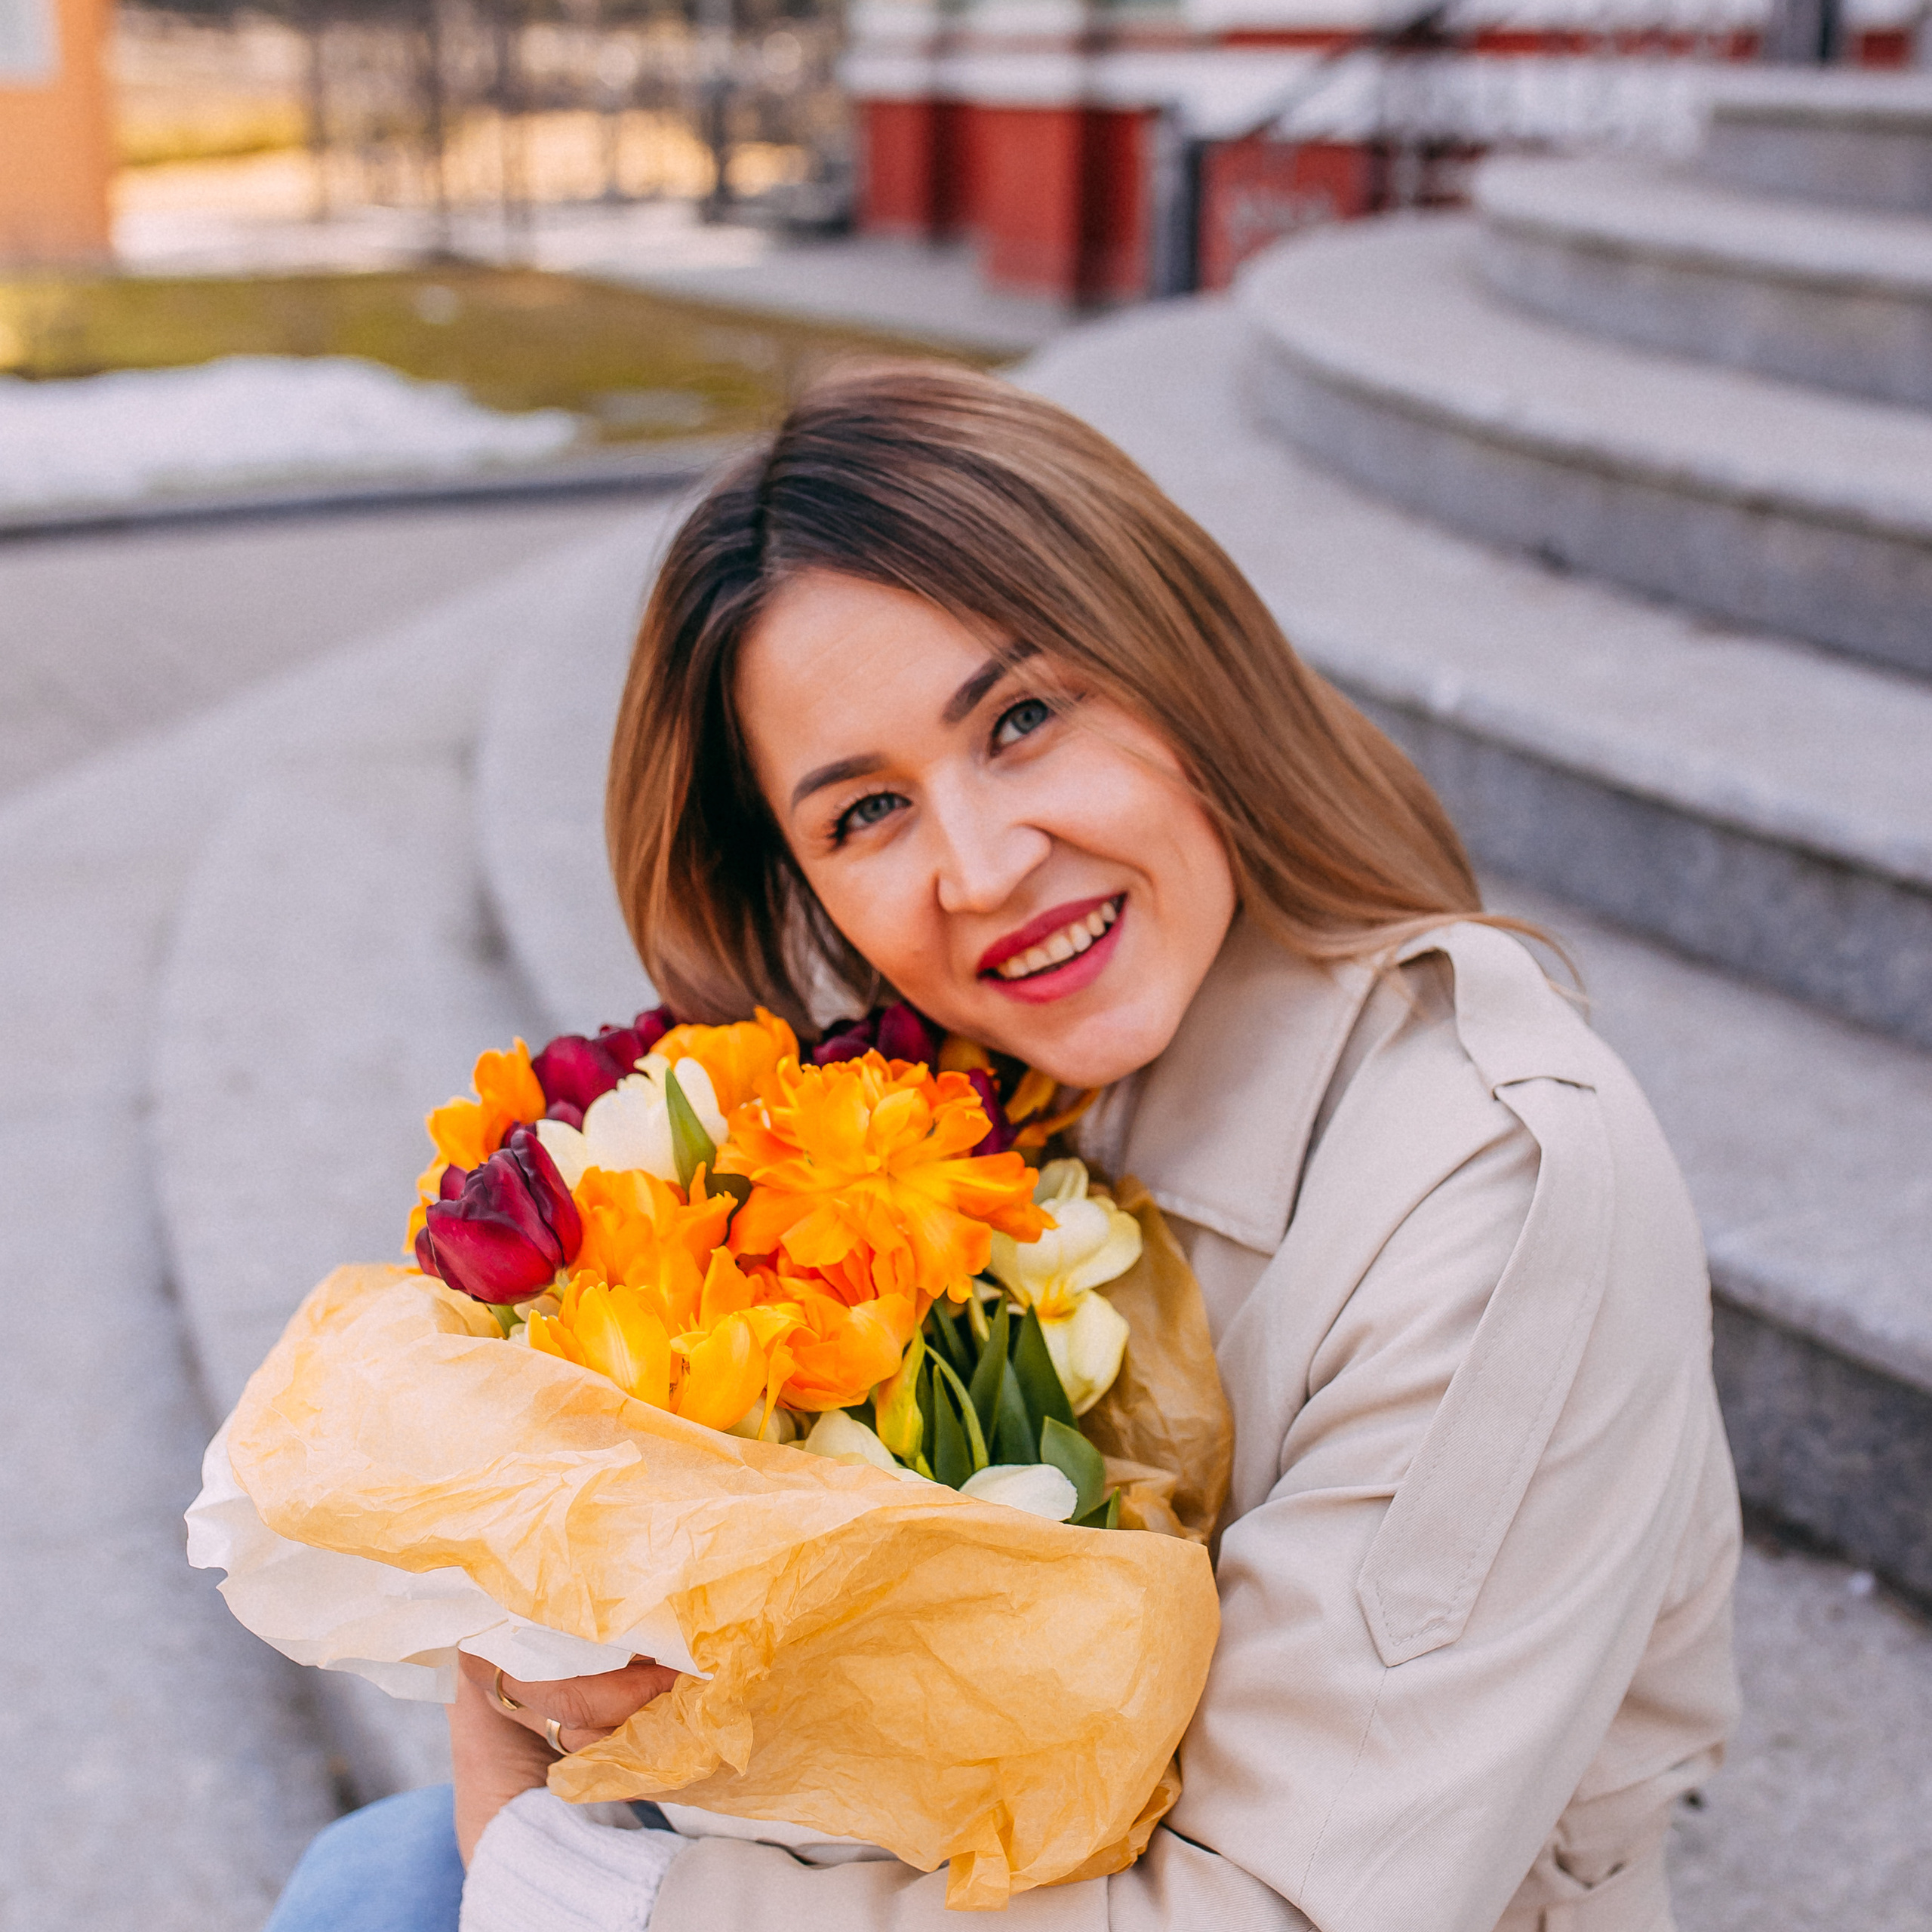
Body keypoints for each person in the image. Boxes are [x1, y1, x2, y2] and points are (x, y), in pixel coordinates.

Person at [266, 364, 1739, 1932]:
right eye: (866, 812)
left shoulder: (1490, 1195)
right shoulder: (932, 1105)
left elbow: (1272, 1905)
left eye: (1020, 719)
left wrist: (568, 1874)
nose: (982, 868)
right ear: (800, 880)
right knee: (362, 1882)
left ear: (1190, 672)